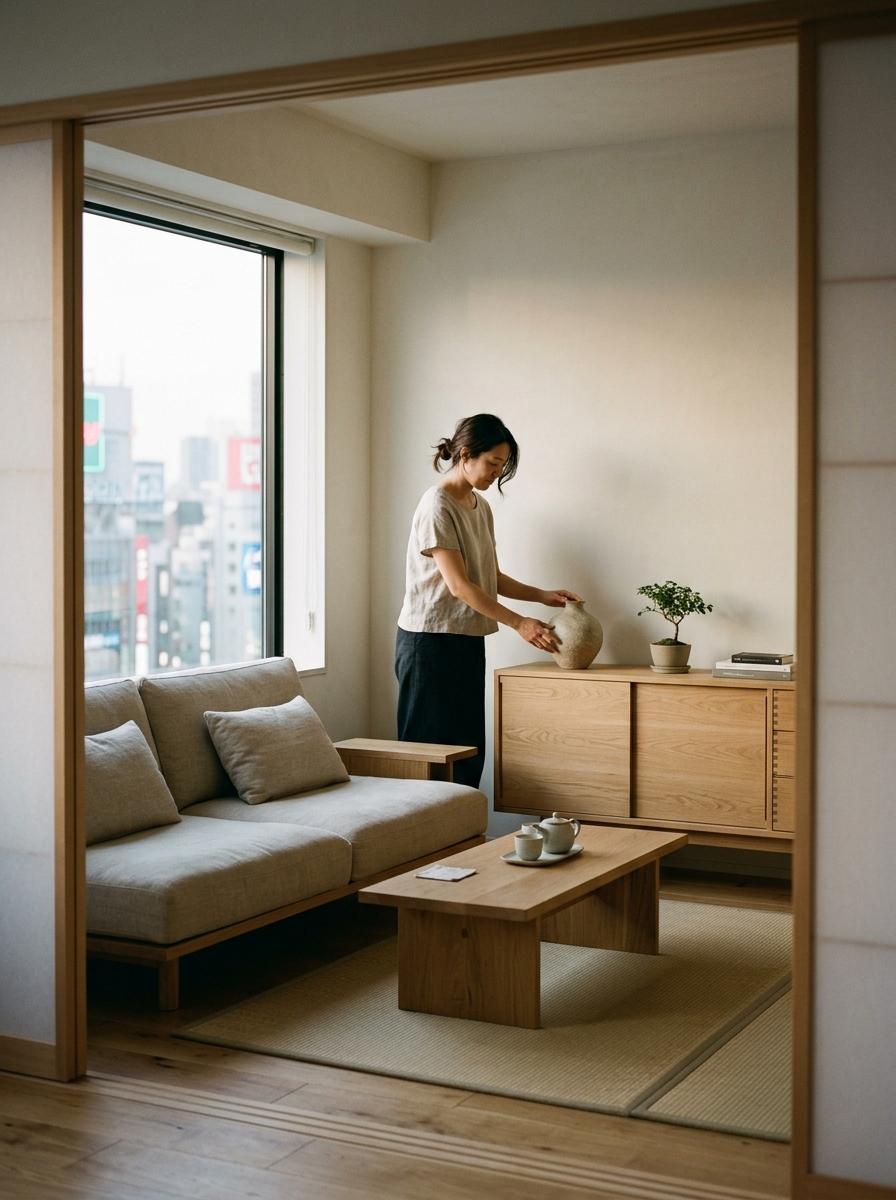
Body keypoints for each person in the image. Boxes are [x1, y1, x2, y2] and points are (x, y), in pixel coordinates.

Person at [395, 413, 581, 788]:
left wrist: (542, 596)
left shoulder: (480, 507)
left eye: (502, 465)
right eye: (493, 463)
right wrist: (520, 623)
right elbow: (460, 586)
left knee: (468, 752)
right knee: (428, 757)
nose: (497, 473)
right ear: (465, 454)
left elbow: (490, 577)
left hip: (466, 640)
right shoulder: (437, 505)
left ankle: (463, 827)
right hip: (429, 643)